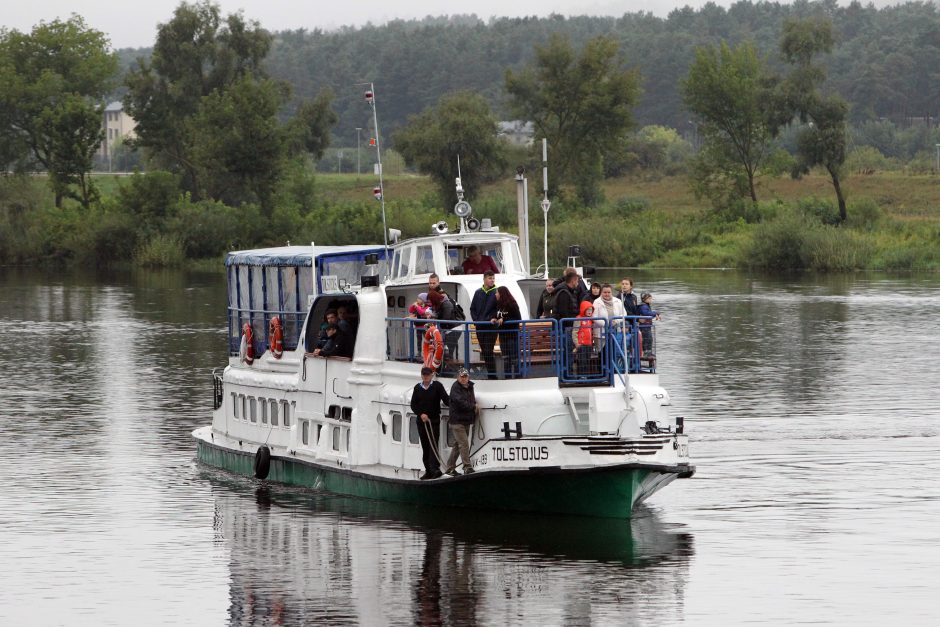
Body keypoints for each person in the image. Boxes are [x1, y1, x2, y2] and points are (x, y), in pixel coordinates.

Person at [409, 366, 450, 480]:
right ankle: (428, 470)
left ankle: (435, 469)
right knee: (425, 446)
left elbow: (446, 399)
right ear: (422, 375)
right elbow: (413, 405)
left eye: (428, 374)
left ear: (432, 375)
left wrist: (456, 405)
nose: (426, 377)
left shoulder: (437, 386)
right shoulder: (417, 388)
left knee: (433, 445)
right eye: (424, 375)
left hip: (433, 421)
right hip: (422, 422)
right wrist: (421, 414)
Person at [445, 368, 477, 476]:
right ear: (458, 377)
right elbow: (460, 402)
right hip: (457, 421)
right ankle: (467, 467)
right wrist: (473, 406)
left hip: (466, 420)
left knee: (457, 445)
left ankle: (450, 468)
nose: (464, 379)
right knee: (464, 444)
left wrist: (474, 406)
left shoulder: (470, 387)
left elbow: (471, 400)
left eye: (465, 377)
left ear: (468, 377)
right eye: (462, 377)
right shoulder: (455, 388)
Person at [470, 271, 499, 379]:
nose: (492, 280)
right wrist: (476, 320)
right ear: (484, 279)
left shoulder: (496, 292)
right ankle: (491, 375)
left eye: (493, 278)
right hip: (480, 327)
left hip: (491, 328)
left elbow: (499, 309)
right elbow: (472, 308)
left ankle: (493, 376)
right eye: (490, 278)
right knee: (485, 352)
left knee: (488, 351)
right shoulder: (478, 292)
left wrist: (493, 318)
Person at [593, 283, 627, 371]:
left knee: (612, 351)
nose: (607, 294)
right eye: (605, 292)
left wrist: (616, 321)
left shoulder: (618, 301)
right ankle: (603, 371)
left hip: (615, 330)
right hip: (601, 332)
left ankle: (612, 371)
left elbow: (624, 314)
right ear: (601, 292)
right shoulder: (597, 302)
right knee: (602, 353)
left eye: (609, 292)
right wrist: (606, 323)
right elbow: (594, 317)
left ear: (611, 292)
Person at [427, 289, 460, 367]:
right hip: (449, 328)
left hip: (454, 328)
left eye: (430, 301)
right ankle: (444, 368)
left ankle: (448, 370)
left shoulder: (447, 304)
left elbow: (446, 319)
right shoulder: (442, 304)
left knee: (449, 350)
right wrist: (434, 316)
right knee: (445, 349)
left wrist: (435, 318)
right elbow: (443, 318)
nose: (430, 303)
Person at [493, 286, 521, 378]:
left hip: (512, 335)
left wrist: (504, 319)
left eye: (497, 292)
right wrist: (494, 318)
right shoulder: (498, 304)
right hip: (502, 335)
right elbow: (498, 315)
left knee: (514, 359)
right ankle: (507, 378)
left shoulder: (512, 304)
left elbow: (518, 318)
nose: (495, 294)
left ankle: (517, 378)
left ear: (502, 294)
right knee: (505, 358)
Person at [572, 301, 598, 376]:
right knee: (582, 361)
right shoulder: (578, 319)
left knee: (587, 360)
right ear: (583, 309)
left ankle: (586, 376)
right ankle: (582, 376)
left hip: (589, 344)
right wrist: (576, 343)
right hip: (581, 344)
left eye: (591, 310)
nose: (590, 312)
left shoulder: (590, 319)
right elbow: (575, 332)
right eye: (588, 310)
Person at [636, 292, 661, 357]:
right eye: (649, 298)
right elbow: (646, 313)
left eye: (651, 298)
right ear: (644, 299)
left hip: (647, 325)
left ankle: (649, 352)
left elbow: (648, 313)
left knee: (649, 339)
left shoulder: (646, 305)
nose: (651, 300)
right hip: (644, 326)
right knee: (647, 339)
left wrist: (655, 314)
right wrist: (656, 312)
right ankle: (646, 352)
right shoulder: (643, 306)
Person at [408, 293, 430, 360]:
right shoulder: (417, 306)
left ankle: (427, 353)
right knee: (419, 341)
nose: (417, 300)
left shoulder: (427, 307)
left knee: (427, 340)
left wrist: (417, 307)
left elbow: (422, 313)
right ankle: (419, 352)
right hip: (418, 326)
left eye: (419, 299)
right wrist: (413, 305)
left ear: (423, 300)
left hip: (425, 327)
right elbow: (410, 310)